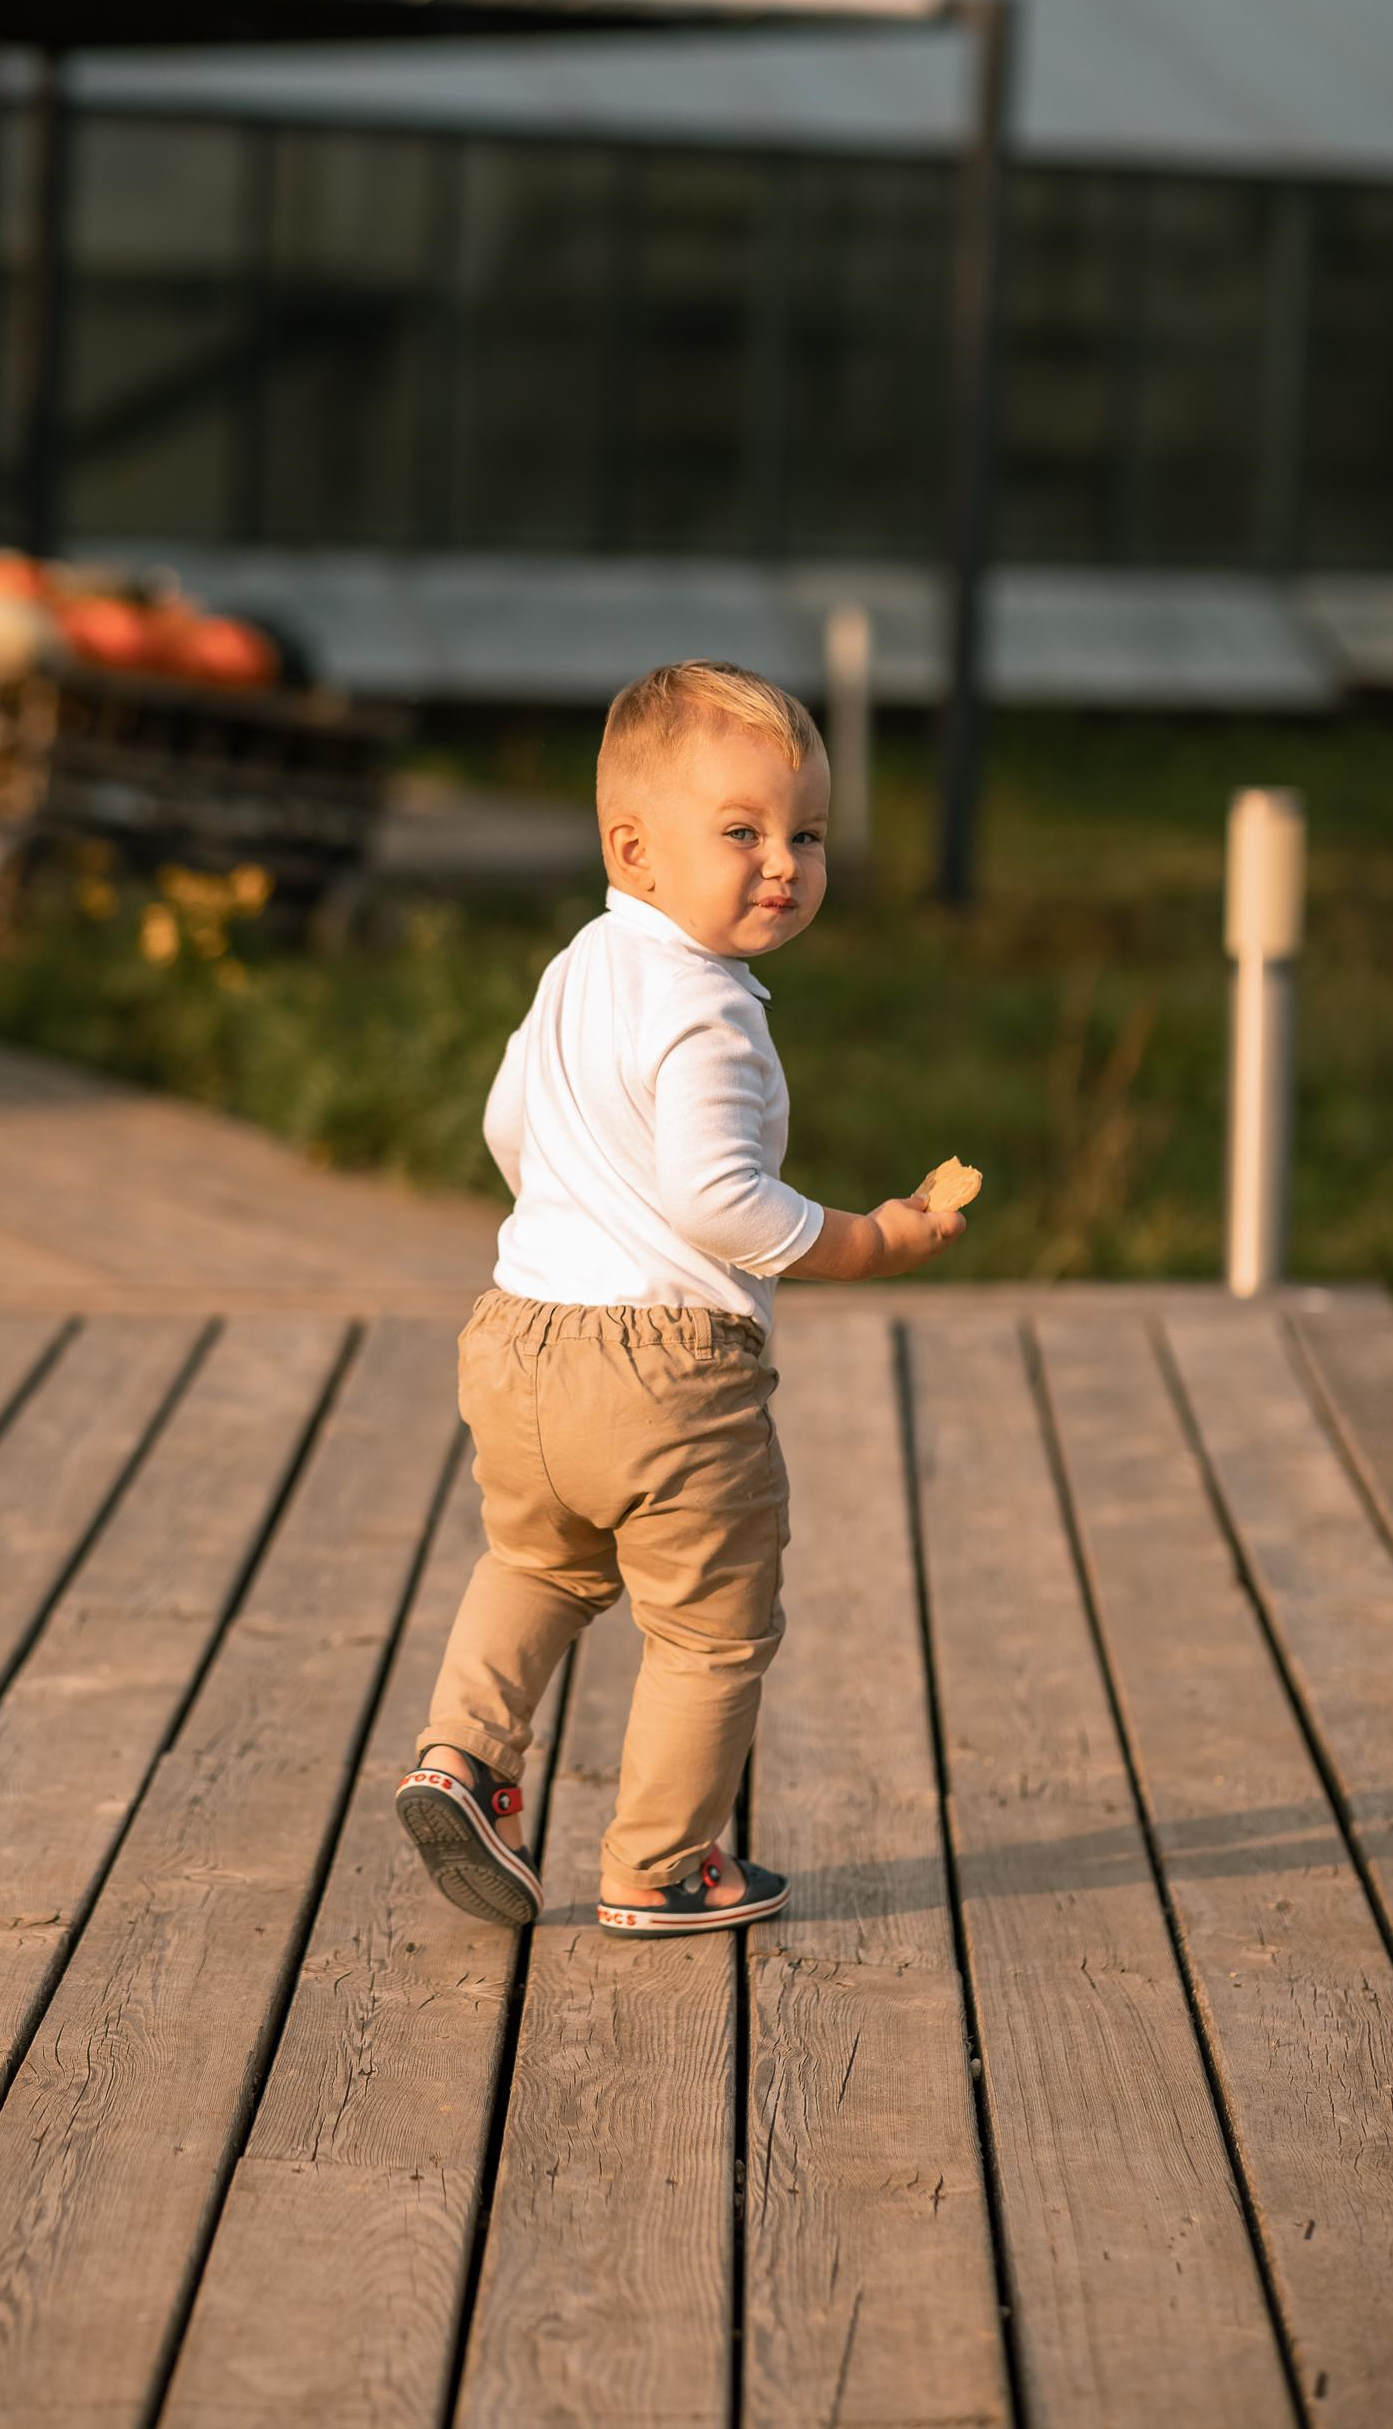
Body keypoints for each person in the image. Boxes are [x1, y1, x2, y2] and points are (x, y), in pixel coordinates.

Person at [395, 659, 967, 1937]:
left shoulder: (576, 968)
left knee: (534, 1562)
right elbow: (716, 1201)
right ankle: (658, 1864)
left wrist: (572, 1216)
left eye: (804, 835)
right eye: (742, 833)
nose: (782, 863)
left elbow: (508, 1122)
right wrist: (861, 1238)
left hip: (516, 1338)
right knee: (710, 1631)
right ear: (634, 847)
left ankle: (462, 1760)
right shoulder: (707, 1008)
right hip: (663, 1372)